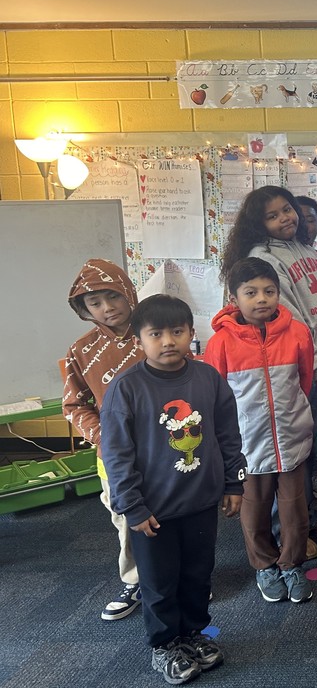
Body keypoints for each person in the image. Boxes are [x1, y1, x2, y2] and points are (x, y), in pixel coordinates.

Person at [100, 295, 246, 685]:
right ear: (140, 339)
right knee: (159, 583)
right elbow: (116, 455)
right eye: (156, 334)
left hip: (200, 502)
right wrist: (131, 506)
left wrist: (234, 482)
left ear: (190, 334)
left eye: (177, 332)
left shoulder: (207, 378)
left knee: (199, 575)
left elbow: (228, 434)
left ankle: (194, 634)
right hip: (153, 511)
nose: (168, 341)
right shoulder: (126, 388)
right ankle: (165, 644)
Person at [220, 186, 317, 548]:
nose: (284, 218)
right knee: (284, 452)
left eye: (286, 210)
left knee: (302, 447)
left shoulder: (304, 249)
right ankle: (287, 533)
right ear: (259, 224)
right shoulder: (266, 257)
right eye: (272, 216)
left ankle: (305, 519)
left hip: (313, 357)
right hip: (295, 364)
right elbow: (293, 322)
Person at [205, 258, 316, 604]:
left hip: (291, 439)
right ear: (234, 298)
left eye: (269, 291)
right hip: (247, 446)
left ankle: (291, 563)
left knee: (294, 511)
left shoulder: (297, 332)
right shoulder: (221, 343)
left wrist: (295, 418)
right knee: (253, 511)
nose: (261, 299)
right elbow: (215, 397)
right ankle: (265, 565)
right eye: (251, 292)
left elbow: (305, 379)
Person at [63, 259, 146, 622]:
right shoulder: (81, 351)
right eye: (94, 302)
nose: (107, 308)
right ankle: (135, 581)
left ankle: (184, 578)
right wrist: (105, 436)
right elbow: (74, 405)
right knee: (127, 520)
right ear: (84, 308)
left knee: (174, 514)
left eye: (112, 296)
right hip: (114, 456)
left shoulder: (156, 330)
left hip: (166, 449)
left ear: (127, 292)